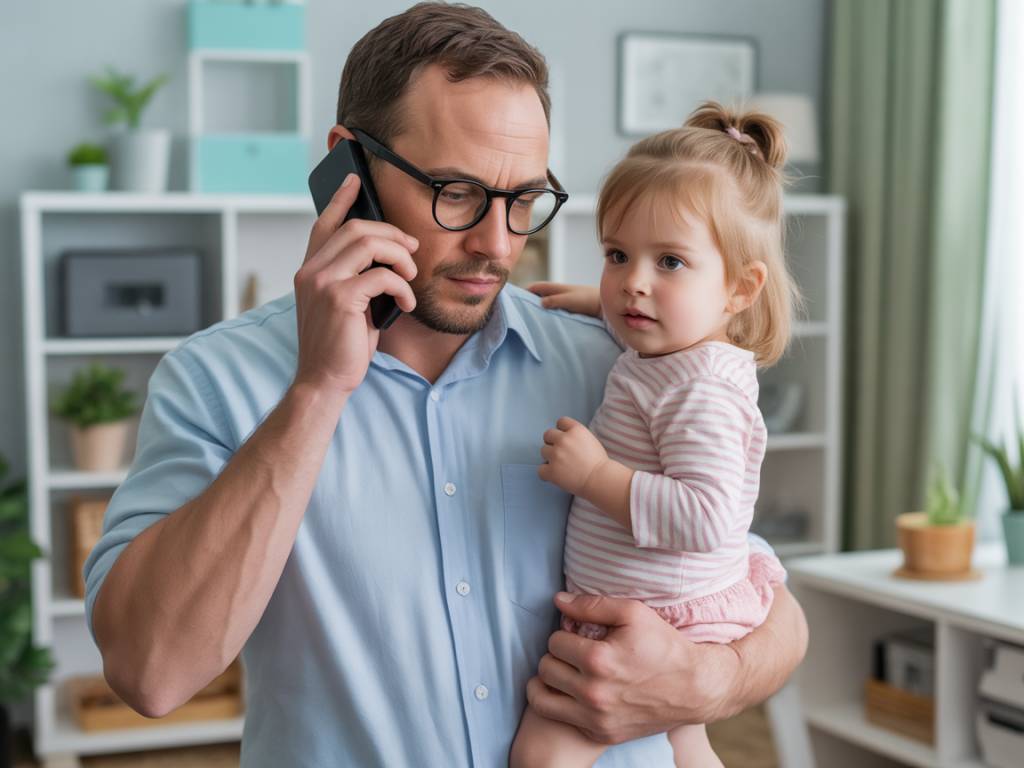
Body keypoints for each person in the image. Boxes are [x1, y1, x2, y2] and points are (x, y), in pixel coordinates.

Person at [83, 4, 808, 766]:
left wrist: (706, 681)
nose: (497, 244)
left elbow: (764, 602)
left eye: (522, 201)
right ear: (349, 170)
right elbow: (150, 672)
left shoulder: (614, 361)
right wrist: (318, 390)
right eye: (456, 192)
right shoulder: (219, 380)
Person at [509, 103, 798, 768]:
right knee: (685, 744)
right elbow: (646, 309)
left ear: (740, 288)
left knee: (543, 755)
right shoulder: (674, 352)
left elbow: (707, 516)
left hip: (668, 615)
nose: (634, 283)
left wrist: (595, 478)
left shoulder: (701, 390)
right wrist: (603, 303)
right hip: (659, 604)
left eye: (669, 261)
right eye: (618, 255)